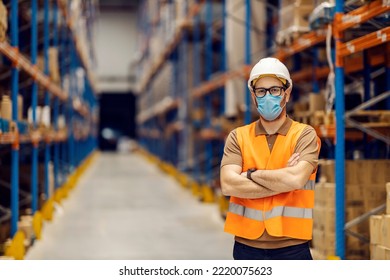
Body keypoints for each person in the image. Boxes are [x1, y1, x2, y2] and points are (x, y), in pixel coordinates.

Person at [220, 57, 321, 260]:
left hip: (292, 248)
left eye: (274, 90)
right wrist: (282, 178)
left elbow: (296, 180)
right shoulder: (238, 137)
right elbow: (228, 184)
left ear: (287, 93)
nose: (268, 97)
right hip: (246, 248)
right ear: (253, 96)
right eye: (261, 91)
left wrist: (249, 174)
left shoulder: (304, 135)